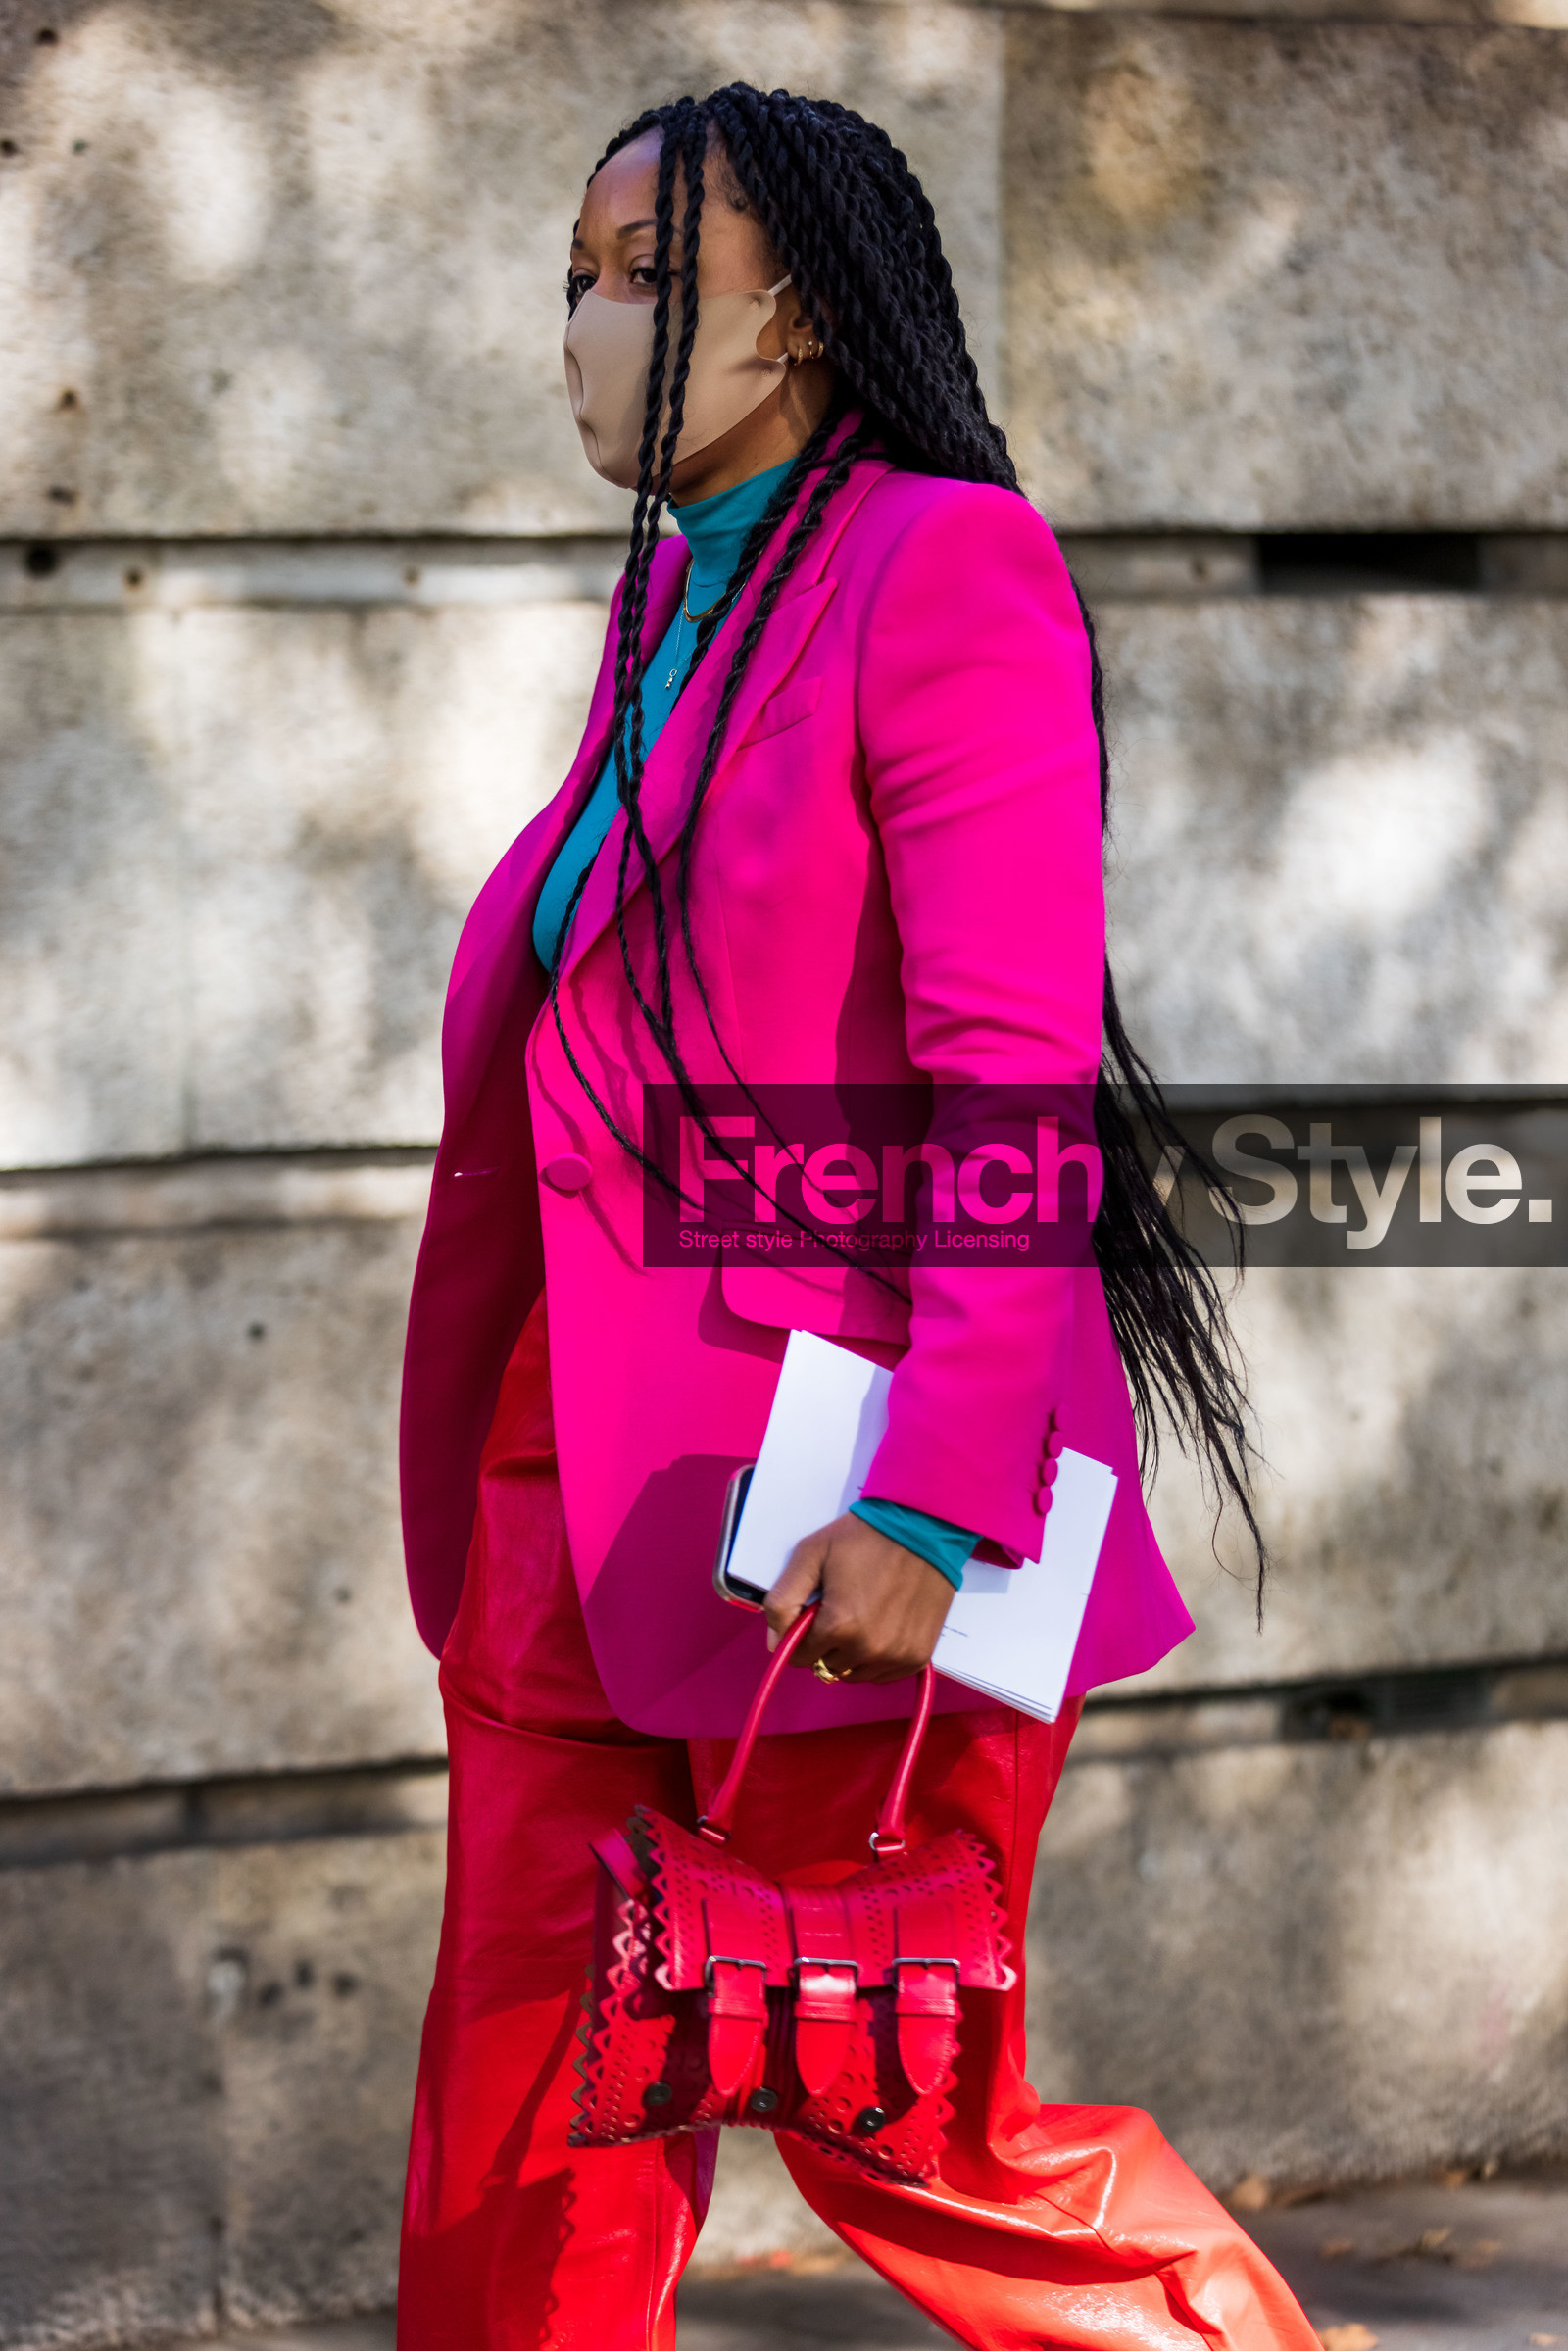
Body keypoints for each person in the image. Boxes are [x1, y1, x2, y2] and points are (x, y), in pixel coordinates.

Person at [396, 82, 1318, 2351]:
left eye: (634, 273)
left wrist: (933, 1496)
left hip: (833, 1517)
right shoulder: (670, 618)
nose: (580, 328)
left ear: (792, 307)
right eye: (574, 276)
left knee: (910, 2136)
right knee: (524, 2154)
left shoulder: (938, 565)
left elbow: (1014, 1085)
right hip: (571, 1511)